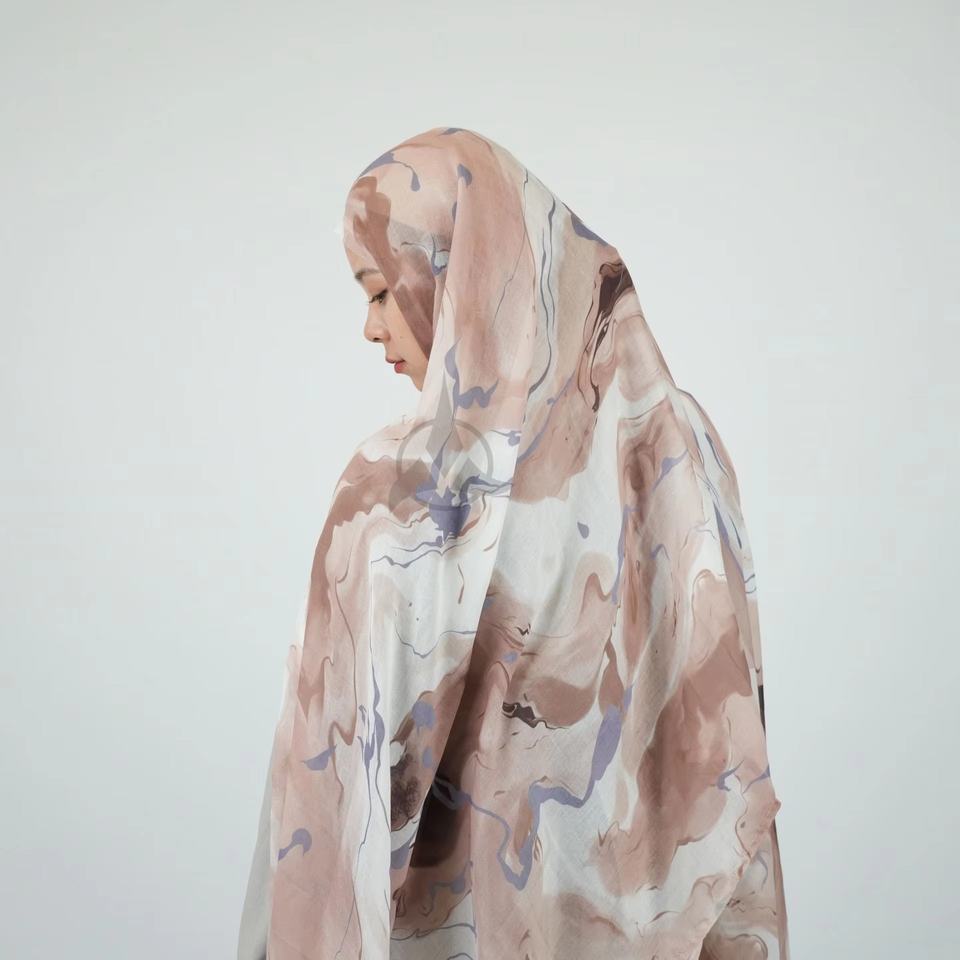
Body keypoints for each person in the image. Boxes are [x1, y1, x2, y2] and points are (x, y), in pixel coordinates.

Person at [238, 125, 789, 960]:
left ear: (453, 275)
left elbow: (325, 798)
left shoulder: (402, 491)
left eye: (380, 289)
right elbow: (733, 736)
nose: (370, 328)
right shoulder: (683, 452)